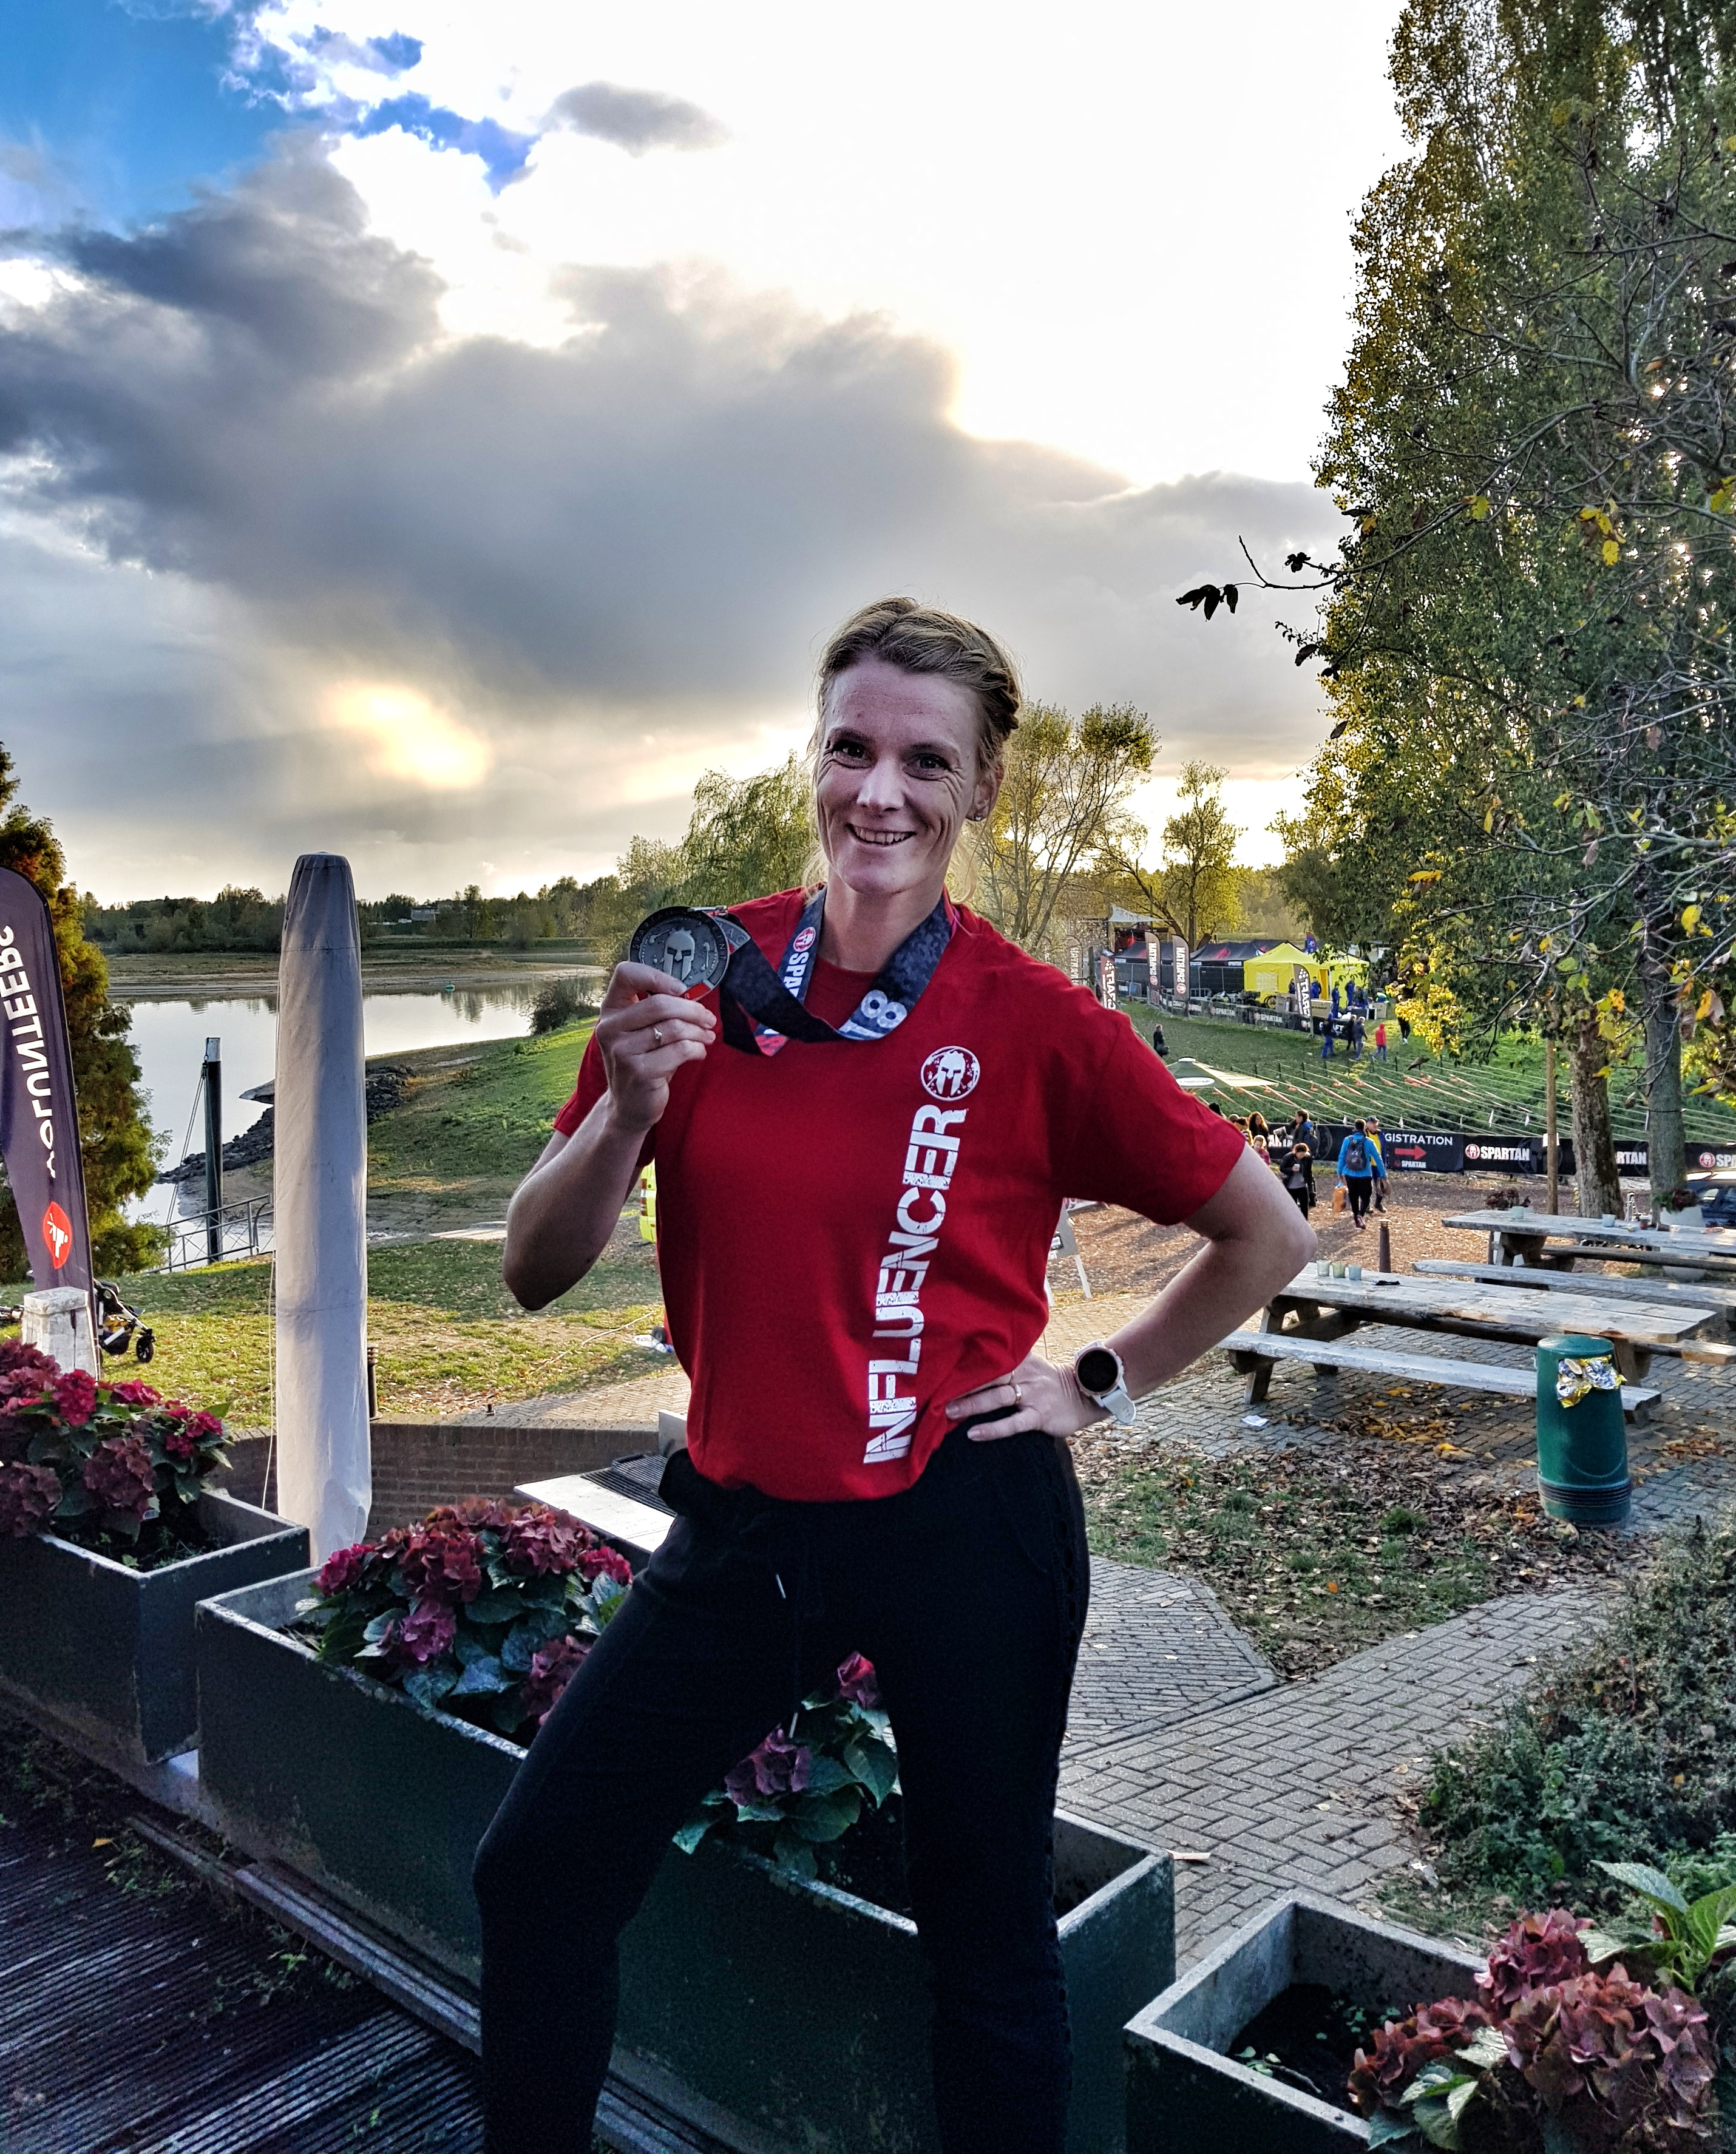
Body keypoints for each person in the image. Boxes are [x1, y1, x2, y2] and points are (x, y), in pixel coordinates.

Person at [481, 598, 1313, 2154]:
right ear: (812, 758)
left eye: (926, 762)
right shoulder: (696, 979)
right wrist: (625, 1115)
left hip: (965, 1524)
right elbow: (535, 1266)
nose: (881, 793)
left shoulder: (1039, 1023)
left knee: (987, 1949)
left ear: (982, 787)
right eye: (851, 749)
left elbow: (1265, 1232)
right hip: (745, 1528)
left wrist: (1100, 1380)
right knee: (537, 1874)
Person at [1337, 1117, 1380, 1227]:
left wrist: (1339, 1172)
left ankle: (1357, 1219)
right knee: (1366, 1197)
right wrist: (1383, 1174)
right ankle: (1361, 1214)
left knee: (1353, 1196)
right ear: (1364, 1128)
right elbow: (1377, 1158)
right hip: (1365, 1174)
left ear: (1355, 1127)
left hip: (1350, 1173)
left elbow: (1342, 1157)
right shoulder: (1369, 1142)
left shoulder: (1347, 1140)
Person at [1283, 1141, 1316, 1217]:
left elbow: (1309, 1173)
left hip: (1302, 1186)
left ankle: (1305, 1221)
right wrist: (1291, 1169)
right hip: (1291, 1186)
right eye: (1301, 1155)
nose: (1302, 1156)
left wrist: (1310, 1187)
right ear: (1296, 1152)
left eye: (1303, 1155)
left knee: (1304, 1207)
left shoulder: (1307, 1158)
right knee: (1292, 1207)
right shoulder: (1288, 1157)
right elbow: (1282, 1168)